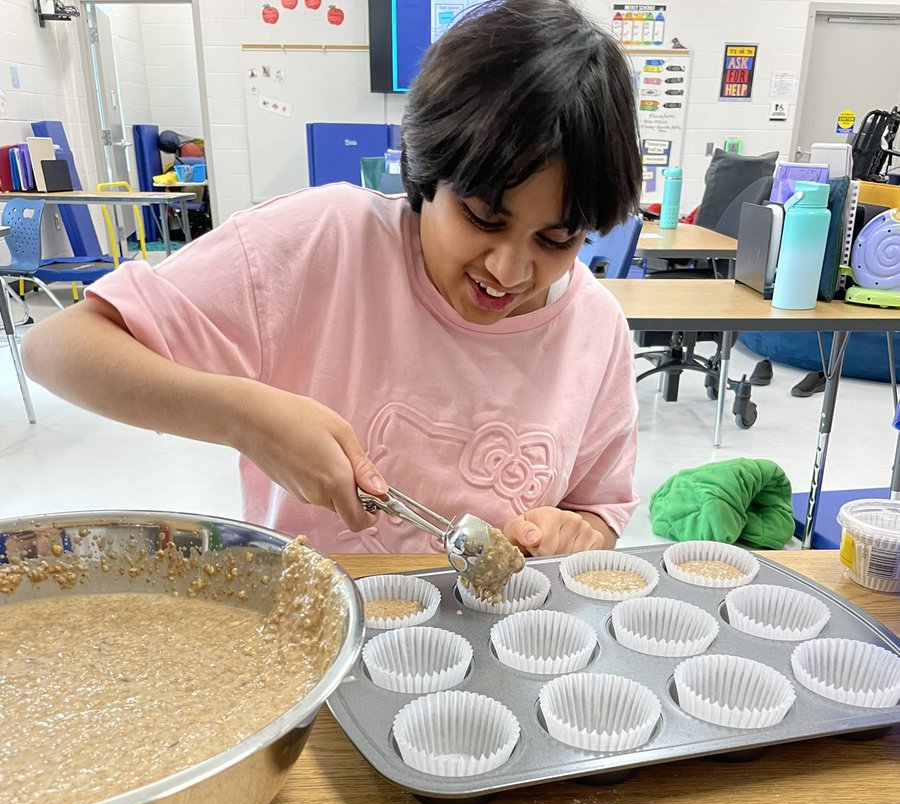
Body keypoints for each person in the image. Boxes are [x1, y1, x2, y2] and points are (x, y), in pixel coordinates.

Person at [23, 0, 643, 558]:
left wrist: (576, 532)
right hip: (315, 631)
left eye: (556, 239)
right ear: (426, 176)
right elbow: (56, 349)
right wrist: (245, 417)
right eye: (482, 217)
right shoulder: (323, 242)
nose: (509, 271)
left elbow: (598, 509)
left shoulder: (595, 330)